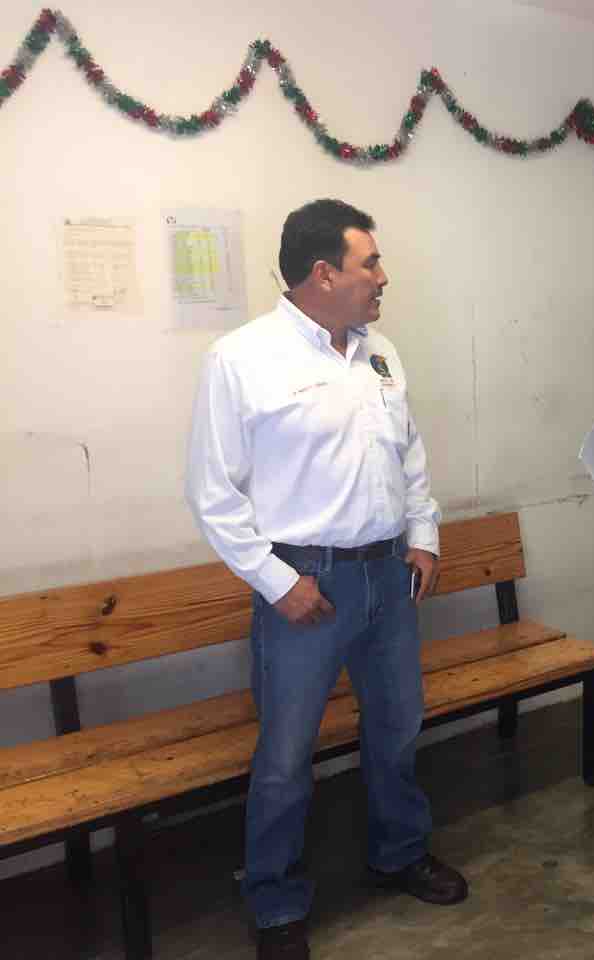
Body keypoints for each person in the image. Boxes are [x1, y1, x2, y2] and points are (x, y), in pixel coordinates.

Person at [186, 199, 466, 960]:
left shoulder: (382, 353)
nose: (384, 277)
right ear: (324, 274)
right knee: (285, 757)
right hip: (304, 589)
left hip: (388, 578)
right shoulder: (241, 359)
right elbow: (212, 494)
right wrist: (278, 583)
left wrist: (425, 536)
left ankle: (399, 852)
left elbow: (408, 455)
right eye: (370, 262)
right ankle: (275, 900)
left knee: (397, 728)